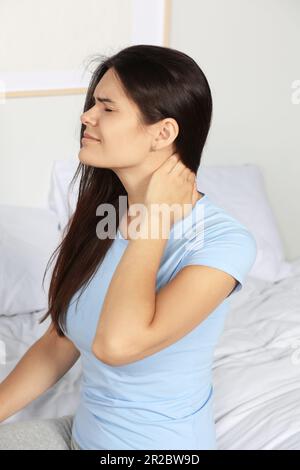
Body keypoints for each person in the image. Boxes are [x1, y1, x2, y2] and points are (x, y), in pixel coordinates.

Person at [0, 44, 257, 450]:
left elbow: (117, 345)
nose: (87, 116)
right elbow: (59, 342)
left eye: (107, 108)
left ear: (163, 133)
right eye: (92, 105)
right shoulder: (102, 217)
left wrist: (154, 220)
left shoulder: (224, 243)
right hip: (82, 436)